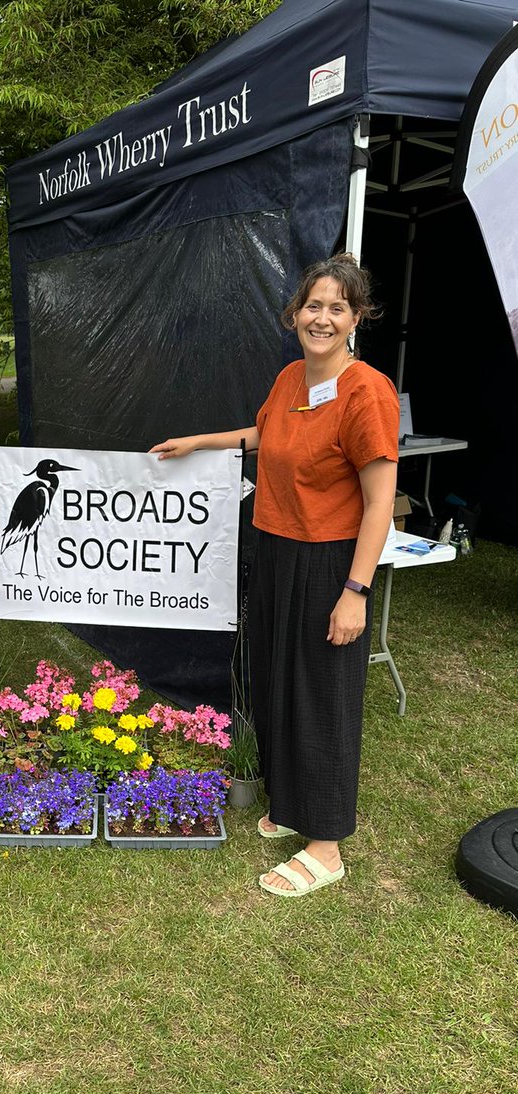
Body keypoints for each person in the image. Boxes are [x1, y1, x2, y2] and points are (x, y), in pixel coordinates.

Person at [151, 253, 398, 897]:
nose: (322, 317)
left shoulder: (366, 391)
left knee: (321, 695)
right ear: (295, 314)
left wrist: (355, 592)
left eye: (336, 307)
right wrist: (199, 442)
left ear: (356, 318)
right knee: (278, 683)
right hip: (277, 550)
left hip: (329, 563)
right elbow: (263, 436)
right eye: (312, 305)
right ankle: (290, 804)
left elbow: (379, 503)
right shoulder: (291, 377)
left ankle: (325, 844)